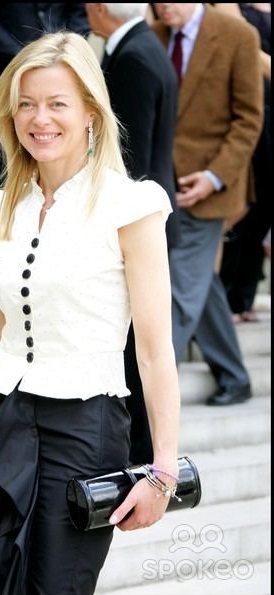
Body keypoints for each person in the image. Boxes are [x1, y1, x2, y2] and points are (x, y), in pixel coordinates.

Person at [0, 31, 181, 595]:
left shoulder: (131, 205)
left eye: (57, 103)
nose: (40, 119)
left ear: (90, 110)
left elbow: (156, 350)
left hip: (85, 431)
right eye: (26, 103)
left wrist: (162, 471)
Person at [152, 3, 263, 406]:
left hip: (212, 187)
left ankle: (152, 401)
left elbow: (248, 119)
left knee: (180, 291)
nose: (161, 8)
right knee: (201, 283)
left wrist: (215, 176)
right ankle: (234, 376)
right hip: (162, 184)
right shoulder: (156, 32)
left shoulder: (238, 35)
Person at [86, 2, 179, 465]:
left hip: (136, 225)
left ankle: (140, 456)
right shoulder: (144, 48)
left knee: (139, 350)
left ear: (100, 9)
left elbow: (132, 154)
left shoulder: (135, 58)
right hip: (144, 220)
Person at [0, 3, 90, 190]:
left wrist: (61, 52)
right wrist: (28, 59)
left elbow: (80, 13)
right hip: (6, 76)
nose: (41, 119)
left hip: (65, 70)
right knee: (3, 178)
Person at [216, 3, 271, 323]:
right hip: (251, 104)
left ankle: (244, 296)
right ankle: (229, 298)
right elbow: (242, 40)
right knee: (248, 200)